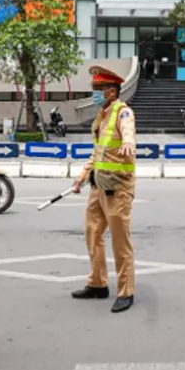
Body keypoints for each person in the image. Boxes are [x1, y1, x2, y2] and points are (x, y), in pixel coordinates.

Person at [70, 65, 137, 313]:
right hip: (98, 186)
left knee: (121, 242)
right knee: (93, 234)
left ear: (111, 91)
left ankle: (126, 290)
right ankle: (98, 283)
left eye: (98, 89)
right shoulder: (102, 115)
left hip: (117, 188)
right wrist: (82, 176)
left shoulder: (123, 113)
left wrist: (129, 142)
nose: (95, 93)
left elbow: (128, 133)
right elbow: (98, 152)